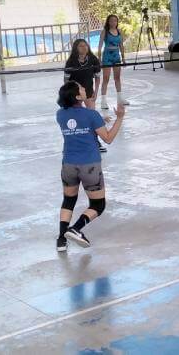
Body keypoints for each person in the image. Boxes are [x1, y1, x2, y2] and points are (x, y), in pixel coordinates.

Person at [56, 82, 125, 252]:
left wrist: (95, 115)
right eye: (81, 88)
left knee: (69, 200)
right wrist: (120, 118)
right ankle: (76, 228)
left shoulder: (60, 115)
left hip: (68, 165)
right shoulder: (91, 115)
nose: (85, 88)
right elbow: (107, 138)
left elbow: (81, 120)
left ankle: (61, 240)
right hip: (89, 166)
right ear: (77, 97)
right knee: (98, 205)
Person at [97, 14, 129, 110]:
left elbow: (121, 46)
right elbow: (100, 45)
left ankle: (120, 99)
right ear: (108, 22)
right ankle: (103, 101)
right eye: (111, 21)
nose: (113, 22)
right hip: (107, 56)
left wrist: (123, 58)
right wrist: (99, 59)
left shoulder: (119, 31)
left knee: (117, 78)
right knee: (106, 78)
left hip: (116, 56)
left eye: (115, 21)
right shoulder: (105, 32)